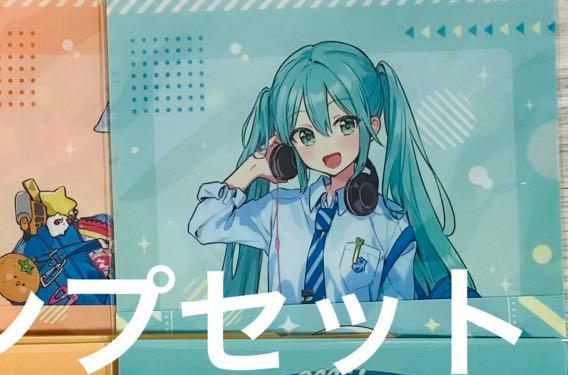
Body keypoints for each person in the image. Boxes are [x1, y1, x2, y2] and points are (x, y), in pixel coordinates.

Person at [188, 41, 473, 304]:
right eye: (306, 134)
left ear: (373, 125)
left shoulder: (390, 223)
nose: (327, 145)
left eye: (344, 124)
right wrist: (251, 168)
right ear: (289, 143)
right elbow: (204, 226)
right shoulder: (277, 212)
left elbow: (397, 311)